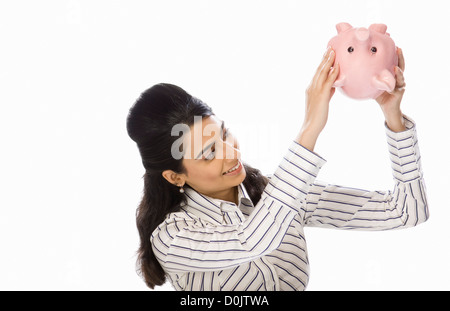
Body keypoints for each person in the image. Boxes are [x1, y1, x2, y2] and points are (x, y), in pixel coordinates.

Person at [126, 47, 429, 291]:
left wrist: (394, 117)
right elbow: (252, 240)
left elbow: (405, 211)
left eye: (224, 134)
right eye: (209, 153)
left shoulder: (277, 193)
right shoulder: (172, 236)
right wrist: (310, 127)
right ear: (175, 176)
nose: (231, 154)